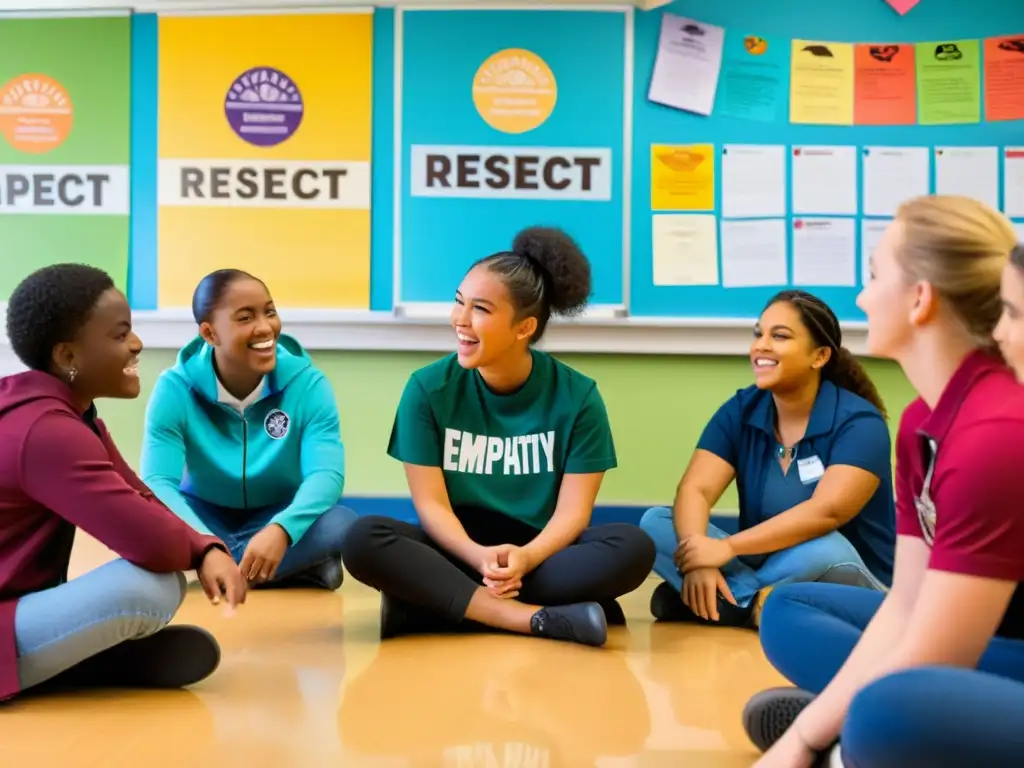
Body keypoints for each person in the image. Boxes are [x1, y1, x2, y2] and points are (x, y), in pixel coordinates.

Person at [743, 196, 1024, 768]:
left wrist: (807, 737)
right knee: (788, 608)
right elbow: (905, 605)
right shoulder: (922, 423)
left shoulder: (995, 432)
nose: (862, 296)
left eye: (874, 274)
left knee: (886, 711)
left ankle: (858, 723)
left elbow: (938, 651)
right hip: (975, 646)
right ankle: (862, 719)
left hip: (986, 648)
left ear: (920, 299)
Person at [340, 226, 655, 646]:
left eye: (481, 309)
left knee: (633, 546)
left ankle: (434, 603)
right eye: (458, 302)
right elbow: (431, 505)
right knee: (363, 539)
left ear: (524, 327)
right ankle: (531, 618)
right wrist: (476, 555)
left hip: (539, 555)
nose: (460, 320)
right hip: (455, 549)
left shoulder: (579, 397)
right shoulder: (426, 389)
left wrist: (527, 557)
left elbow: (573, 516)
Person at [0, 263, 246, 702]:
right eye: (119, 335)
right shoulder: (47, 431)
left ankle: (65, 659)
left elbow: (138, 495)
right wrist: (203, 549)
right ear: (68, 356)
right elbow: (150, 543)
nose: (137, 344)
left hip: (14, 610)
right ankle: (70, 665)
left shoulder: (58, 412)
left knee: (162, 569)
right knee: (150, 586)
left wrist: (204, 544)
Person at [640, 290, 895, 628]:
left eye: (780, 336)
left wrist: (726, 548)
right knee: (654, 522)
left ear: (819, 356)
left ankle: (723, 602)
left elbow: (826, 512)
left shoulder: (859, 422)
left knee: (826, 547)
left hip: (850, 571)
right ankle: (749, 603)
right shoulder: (742, 408)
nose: (761, 345)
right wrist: (699, 560)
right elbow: (696, 490)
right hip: (771, 567)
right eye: (758, 333)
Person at [141, 269, 354, 591]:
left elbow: (327, 475)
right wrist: (206, 543)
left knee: (343, 524)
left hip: (278, 512)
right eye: (245, 318)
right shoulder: (174, 389)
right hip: (205, 515)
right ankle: (285, 569)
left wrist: (282, 529)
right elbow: (157, 481)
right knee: (143, 524)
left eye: (269, 312)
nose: (266, 327)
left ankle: (234, 568)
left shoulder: (309, 384)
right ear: (210, 334)